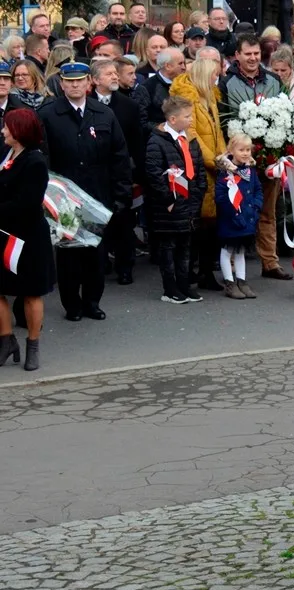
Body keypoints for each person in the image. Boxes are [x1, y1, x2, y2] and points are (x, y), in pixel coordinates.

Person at [38, 61, 131, 322]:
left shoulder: (103, 113)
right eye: (69, 81)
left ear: (89, 82)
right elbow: (43, 157)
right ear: (62, 84)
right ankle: (72, 305)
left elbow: (119, 155)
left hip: (98, 194)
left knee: (96, 254)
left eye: (80, 80)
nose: (75, 85)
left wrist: (121, 195)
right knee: (69, 255)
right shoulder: (48, 114)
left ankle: (92, 302)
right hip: (64, 198)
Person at [220, 34, 288, 281]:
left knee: (268, 211)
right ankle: (232, 266)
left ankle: (270, 262)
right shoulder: (226, 83)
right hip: (239, 160)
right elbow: (223, 121)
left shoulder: (273, 80)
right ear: (237, 55)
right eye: (247, 54)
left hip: (269, 157)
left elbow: (285, 114)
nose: (252, 58)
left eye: (256, 54)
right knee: (236, 209)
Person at [0, 109, 53, 372]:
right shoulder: (8, 154)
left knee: (31, 293)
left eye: (7, 127)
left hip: (28, 238)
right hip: (4, 233)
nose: (3, 131)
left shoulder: (35, 162)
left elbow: (27, 204)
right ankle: (6, 340)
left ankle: (33, 345)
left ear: (19, 131)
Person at [170, 56, 227, 291]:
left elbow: (217, 133)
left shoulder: (210, 98)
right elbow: (191, 135)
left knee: (209, 226)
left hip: (214, 169)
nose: (217, 79)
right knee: (198, 226)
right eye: (214, 75)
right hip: (198, 169)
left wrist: (224, 157)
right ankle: (191, 272)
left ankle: (205, 271)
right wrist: (215, 160)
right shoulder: (189, 100)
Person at [144, 95, 206, 303]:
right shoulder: (157, 141)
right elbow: (153, 173)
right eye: (187, 116)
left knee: (185, 248)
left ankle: (184, 285)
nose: (191, 120)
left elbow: (198, 170)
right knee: (169, 248)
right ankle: (170, 289)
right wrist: (168, 200)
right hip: (169, 206)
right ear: (172, 119)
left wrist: (198, 194)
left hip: (189, 203)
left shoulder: (190, 140)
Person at [90, 59, 145, 286]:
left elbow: (137, 142)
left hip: (121, 173)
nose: (115, 77)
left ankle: (125, 267)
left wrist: (137, 176)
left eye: (115, 73)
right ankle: (101, 263)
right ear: (95, 80)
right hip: (94, 173)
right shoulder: (87, 103)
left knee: (124, 222)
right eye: (109, 74)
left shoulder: (128, 105)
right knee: (97, 222)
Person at [215, 134, 263, 300]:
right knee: (227, 250)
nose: (245, 153)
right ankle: (230, 282)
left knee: (241, 250)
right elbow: (221, 197)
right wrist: (234, 213)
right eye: (241, 150)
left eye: (248, 150)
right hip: (231, 218)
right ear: (231, 150)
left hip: (248, 217)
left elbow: (257, 190)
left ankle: (242, 281)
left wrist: (256, 206)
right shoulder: (225, 172)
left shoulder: (250, 170)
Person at [136, 47, 186, 133]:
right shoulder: (147, 88)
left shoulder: (187, 84)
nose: (184, 67)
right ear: (167, 66)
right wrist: (162, 128)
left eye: (184, 63)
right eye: (180, 64)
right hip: (160, 138)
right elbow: (141, 121)